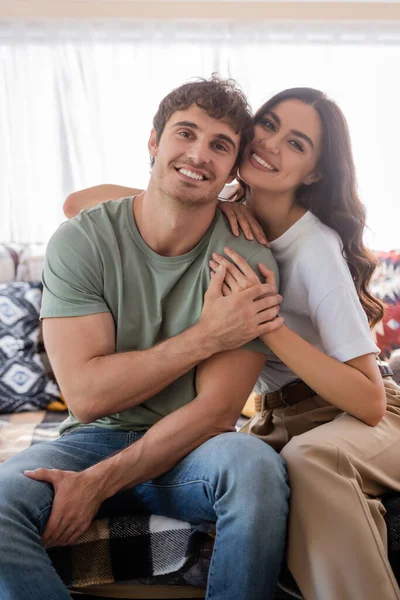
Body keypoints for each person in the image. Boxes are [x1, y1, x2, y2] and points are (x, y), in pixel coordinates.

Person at [67, 87, 400, 600]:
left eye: (296, 143)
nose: (269, 143)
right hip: (274, 417)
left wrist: (266, 325)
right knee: (249, 479)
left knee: (311, 464)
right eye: (267, 125)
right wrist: (209, 196)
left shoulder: (313, 248)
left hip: (353, 414)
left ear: (313, 172)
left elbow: (370, 400)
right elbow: (77, 205)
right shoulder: (224, 214)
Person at [0, 77, 291, 600]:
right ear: (154, 142)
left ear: (232, 171)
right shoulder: (83, 240)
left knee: (256, 469)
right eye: (186, 134)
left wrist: (98, 485)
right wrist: (206, 335)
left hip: (193, 449)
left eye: (220, 145)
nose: (199, 155)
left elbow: (216, 413)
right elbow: (88, 397)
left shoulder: (247, 259)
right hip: (90, 440)